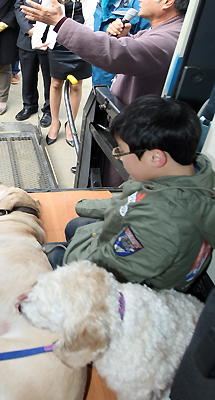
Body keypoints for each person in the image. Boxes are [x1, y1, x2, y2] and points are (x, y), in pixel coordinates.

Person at [43, 94, 215, 292]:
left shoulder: (163, 221)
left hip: (133, 284)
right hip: (137, 238)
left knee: (52, 258)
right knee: (76, 225)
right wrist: (80, 204)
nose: (120, 159)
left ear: (155, 157)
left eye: (122, 152)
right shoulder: (184, 172)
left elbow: (107, 266)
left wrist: (67, 254)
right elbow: (132, 200)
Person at [21, 0, 195, 106]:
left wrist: (60, 22)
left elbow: (118, 53)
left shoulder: (169, 38)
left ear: (168, 1)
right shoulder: (166, 29)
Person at [34, 0, 97, 146]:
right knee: (55, 83)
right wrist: (39, 39)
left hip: (81, 41)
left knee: (76, 85)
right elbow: (43, 15)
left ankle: (71, 124)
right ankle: (55, 123)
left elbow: (93, 16)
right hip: (58, 40)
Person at [85, 0, 151, 88]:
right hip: (101, 77)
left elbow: (148, 49)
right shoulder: (101, 4)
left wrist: (126, 36)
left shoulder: (143, 6)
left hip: (126, 82)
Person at [14, 0, 55, 126]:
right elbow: (18, 6)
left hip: (49, 37)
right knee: (28, 74)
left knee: (49, 76)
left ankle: (49, 109)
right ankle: (29, 105)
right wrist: (29, 29)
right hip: (28, 36)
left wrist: (44, 32)